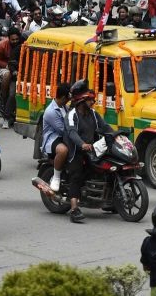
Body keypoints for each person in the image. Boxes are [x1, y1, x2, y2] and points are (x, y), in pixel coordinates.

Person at [63, 80, 114, 223]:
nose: (93, 102)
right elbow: (72, 133)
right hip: (76, 151)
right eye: (91, 100)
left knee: (107, 167)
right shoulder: (72, 115)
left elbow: (104, 127)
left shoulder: (93, 114)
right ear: (82, 100)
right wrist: (82, 144)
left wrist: (116, 134)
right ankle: (74, 209)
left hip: (92, 150)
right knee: (76, 175)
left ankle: (110, 200)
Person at [40, 82, 72, 191]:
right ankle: (56, 177)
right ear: (63, 97)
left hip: (65, 136)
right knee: (63, 150)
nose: (69, 100)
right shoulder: (51, 112)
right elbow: (63, 130)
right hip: (53, 138)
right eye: (68, 98)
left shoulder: (65, 107)